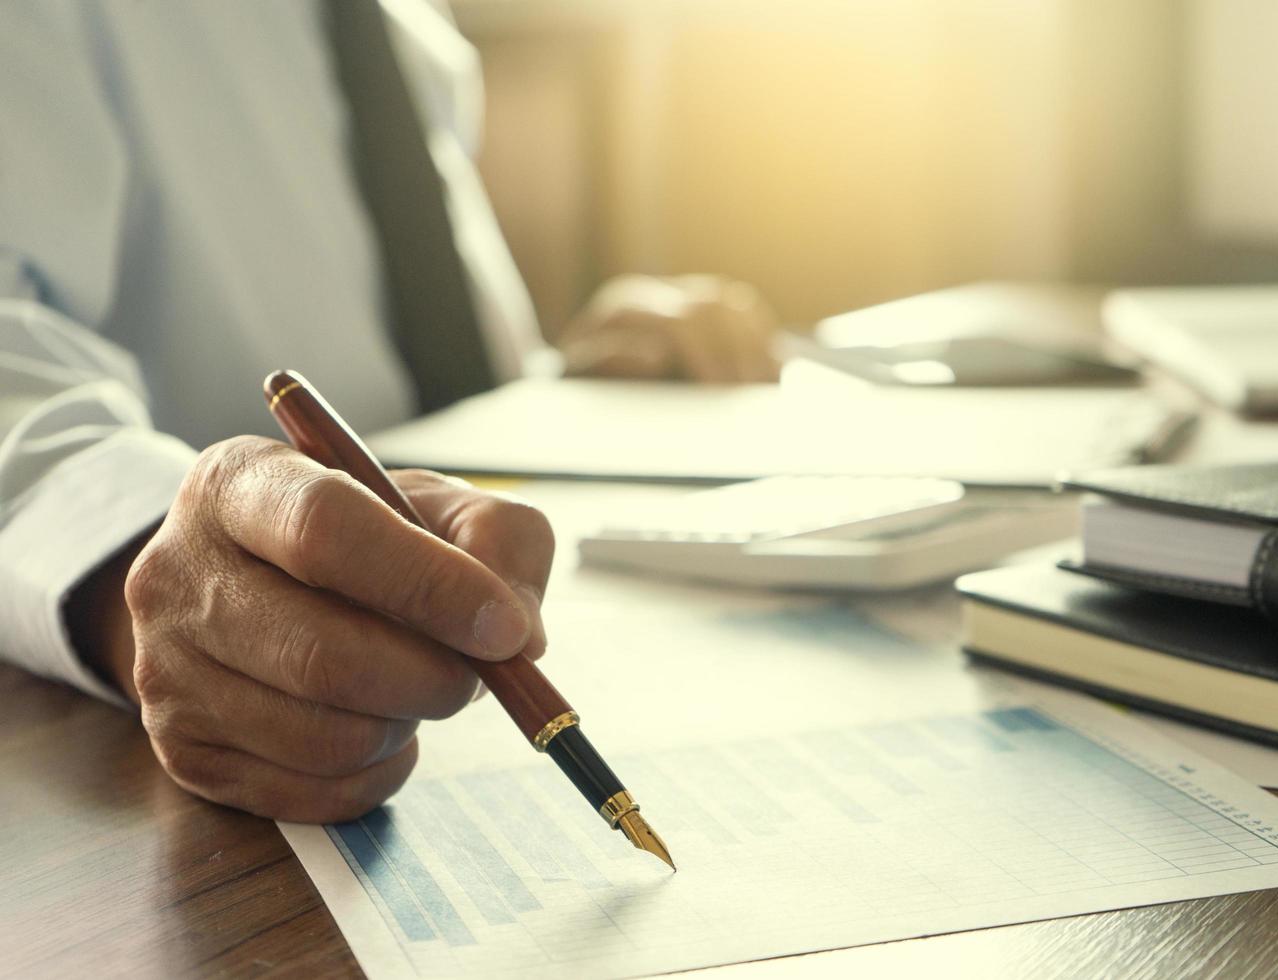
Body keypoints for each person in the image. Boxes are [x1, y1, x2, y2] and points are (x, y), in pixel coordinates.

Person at [0, 0, 775, 823]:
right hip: (218, 757)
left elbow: (405, 342)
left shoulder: (393, 20)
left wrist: (559, 377)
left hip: (424, 673)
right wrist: (146, 572)